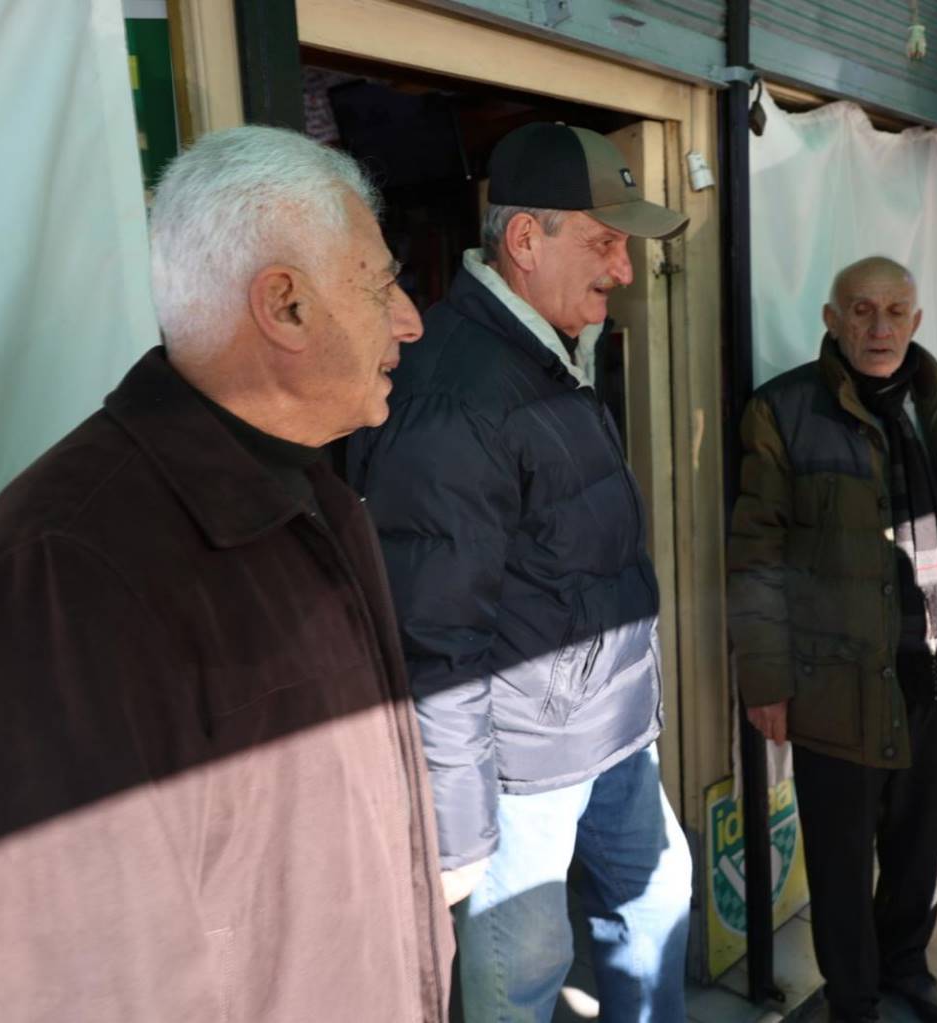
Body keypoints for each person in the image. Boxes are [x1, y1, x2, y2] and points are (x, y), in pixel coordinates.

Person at [0, 125, 450, 1021]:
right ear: (284, 305)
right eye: (379, 285)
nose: (409, 319)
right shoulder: (61, 572)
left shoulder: (317, 496)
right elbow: (77, 983)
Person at [346, 121, 692, 1021]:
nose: (624, 270)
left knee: (658, 900)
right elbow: (434, 633)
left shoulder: (546, 347)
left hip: (610, 728)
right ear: (526, 240)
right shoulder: (455, 393)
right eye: (605, 242)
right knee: (523, 981)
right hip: (526, 761)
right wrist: (462, 829)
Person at [727, 256, 937, 1023]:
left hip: (932, 666)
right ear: (831, 318)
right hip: (836, 681)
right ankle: (853, 1001)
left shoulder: (933, 403)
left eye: (895, 311)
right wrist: (766, 680)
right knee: (842, 860)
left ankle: (906, 968)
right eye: (861, 310)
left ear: (916, 321)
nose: (879, 328)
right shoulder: (783, 410)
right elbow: (755, 555)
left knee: (919, 846)